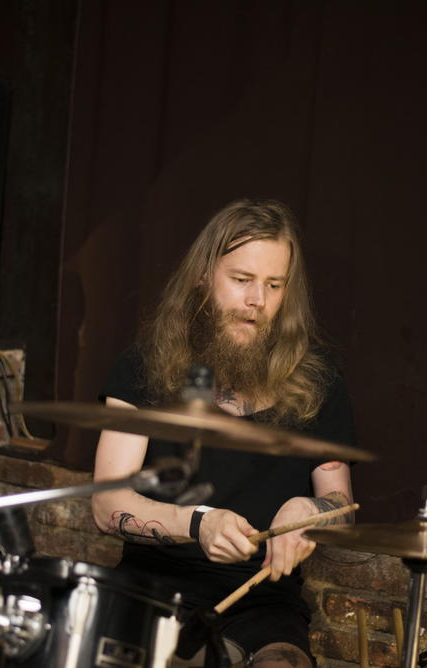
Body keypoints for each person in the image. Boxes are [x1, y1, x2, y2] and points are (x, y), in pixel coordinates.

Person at [92, 198, 357, 668]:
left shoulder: (319, 382)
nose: (258, 301)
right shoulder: (144, 368)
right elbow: (107, 505)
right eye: (241, 280)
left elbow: (342, 506)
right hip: (150, 590)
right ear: (202, 276)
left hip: (264, 602)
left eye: (274, 285)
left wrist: (311, 511)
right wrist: (199, 522)